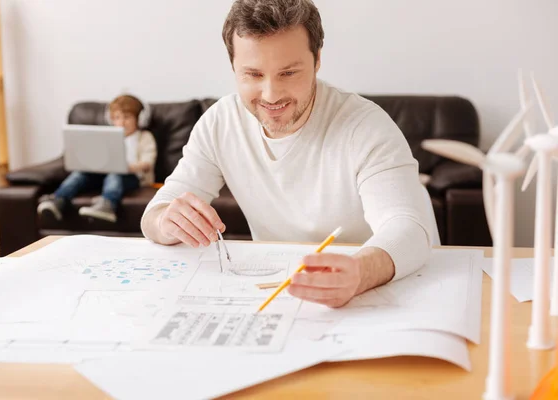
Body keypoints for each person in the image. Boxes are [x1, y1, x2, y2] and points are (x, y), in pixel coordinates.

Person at [141, 0, 432, 308]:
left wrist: (359, 272)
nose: (271, 95)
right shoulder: (219, 122)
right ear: (233, 67)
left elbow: (409, 231)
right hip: (283, 292)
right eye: (253, 74)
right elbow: (157, 211)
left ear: (317, 60)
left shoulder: (365, 126)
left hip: (386, 290)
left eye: (289, 73)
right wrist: (166, 222)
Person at [38, 94, 157, 223]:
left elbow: (147, 163)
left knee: (115, 174)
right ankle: (58, 199)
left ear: (140, 119)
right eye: (117, 118)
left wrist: (127, 167)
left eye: (127, 117)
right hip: (104, 176)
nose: (121, 122)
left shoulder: (144, 137)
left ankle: (107, 204)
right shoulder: (107, 137)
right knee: (80, 174)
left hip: (133, 177)